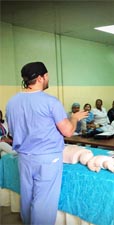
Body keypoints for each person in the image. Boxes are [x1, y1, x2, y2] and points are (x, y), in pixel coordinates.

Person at [5, 62, 87, 225]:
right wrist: (75, 118)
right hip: (47, 159)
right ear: (41, 77)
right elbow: (68, 131)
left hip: (24, 158)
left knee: (27, 198)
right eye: (47, 75)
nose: (48, 78)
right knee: (43, 203)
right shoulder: (51, 102)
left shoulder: (12, 102)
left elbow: (13, 133)